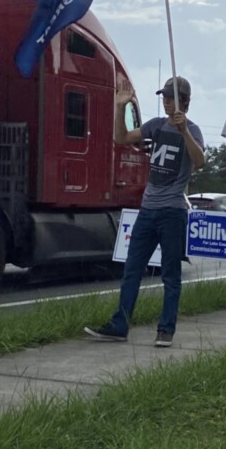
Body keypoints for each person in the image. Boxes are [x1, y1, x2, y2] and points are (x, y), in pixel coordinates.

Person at [84, 75, 205, 348]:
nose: (165, 101)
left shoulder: (193, 130)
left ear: (185, 101)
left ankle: (166, 329)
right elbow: (122, 137)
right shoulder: (156, 126)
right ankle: (119, 325)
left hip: (173, 211)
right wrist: (121, 107)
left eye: (171, 97)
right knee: (132, 270)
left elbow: (200, 161)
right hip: (147, 210)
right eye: (163, 96)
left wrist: (184, 130)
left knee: (170, 274)